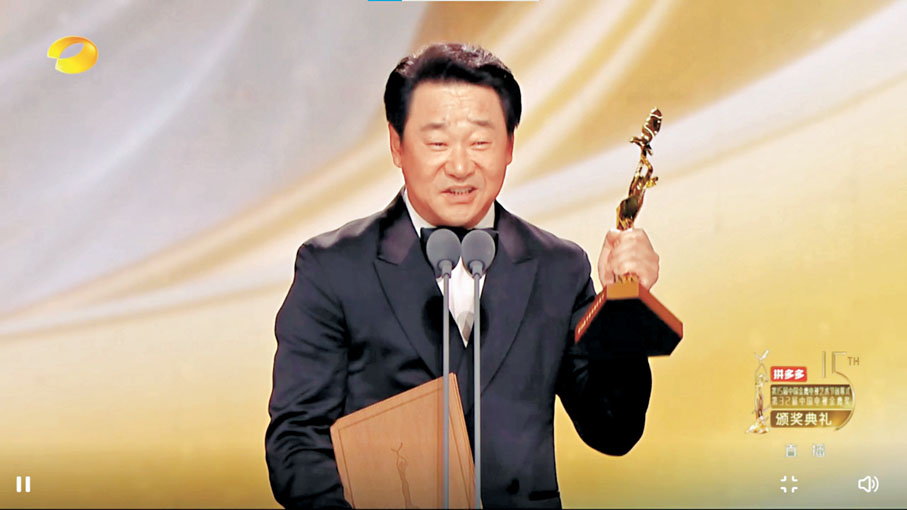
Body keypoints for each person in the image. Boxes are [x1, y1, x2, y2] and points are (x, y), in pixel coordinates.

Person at [266, 42, 660, 509]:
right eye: (437, 143)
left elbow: (613, 430)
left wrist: (623, 300)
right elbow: (296, 444)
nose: (459, 166)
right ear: (396, 144)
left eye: (480, 142)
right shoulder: (333, 268)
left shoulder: (558, 267)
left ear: (509, 146)